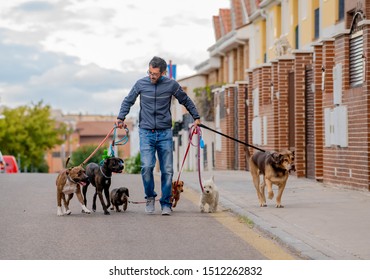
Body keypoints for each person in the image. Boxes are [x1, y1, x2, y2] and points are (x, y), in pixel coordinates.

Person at [115, 56, 201, 216]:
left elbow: (185, 100)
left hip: (165, 132)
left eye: (155, 73)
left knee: (167, 170)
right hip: (146, 132)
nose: (151, 76)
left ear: (163, 72)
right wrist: (121, 117)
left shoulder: (171, 85)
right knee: (147, 167)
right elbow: (128, 101)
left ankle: (166, 203)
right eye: (150, 72)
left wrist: (196, 117)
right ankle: (149, 197)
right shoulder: (141, 84)